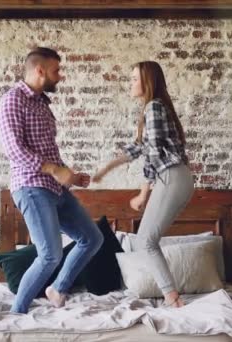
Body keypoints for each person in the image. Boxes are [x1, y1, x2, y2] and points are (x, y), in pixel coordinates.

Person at [0, 47, 103, 313]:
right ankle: (16, 313)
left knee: (92, 238)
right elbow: (14, 150)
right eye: (57, 71)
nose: (60, 76)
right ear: (39, 70)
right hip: (31, 188)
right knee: (49, 255)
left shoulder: (42, 102)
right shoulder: (12, 100)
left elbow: (48, 151)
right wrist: (56, 171)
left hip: (55, 188)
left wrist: (70, 175)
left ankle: (58, 289)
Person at [92, 61, 193, 308]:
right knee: (146, 240)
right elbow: (140, 147)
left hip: (171, 176)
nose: (130, 83)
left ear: (147, 82)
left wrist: (142, 193)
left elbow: (153, 153)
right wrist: (108, 167)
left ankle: (172, 298)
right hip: (174, 177)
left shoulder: (153, 108)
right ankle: (172, 297)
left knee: (146, 240)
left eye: (134, 78)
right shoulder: (154, 108)